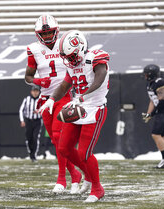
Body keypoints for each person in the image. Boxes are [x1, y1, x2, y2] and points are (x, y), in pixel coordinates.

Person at [39, 30, 110, 202]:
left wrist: (83, 97)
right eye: (67, 57)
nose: (69, 60)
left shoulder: (95, 57)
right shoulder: (71, 64)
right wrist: (51, 99)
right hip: (78, 106)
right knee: (64, 148)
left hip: (94, 108)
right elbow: (65, 84)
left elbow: (99, 79)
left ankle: (97, 189)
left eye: (71, 56)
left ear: (81, 48)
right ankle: (87, 174)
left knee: (85, 152)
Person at [25, 14, 82, 194]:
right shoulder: (34, 49)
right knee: (57, 141)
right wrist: (40, 82)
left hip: (63, 97)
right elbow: (28, 76)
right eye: (45, 33)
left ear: (56, 31)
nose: (48, 36)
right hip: (44, 100)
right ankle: (74, 174)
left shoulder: (66, 42)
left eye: (50, 32)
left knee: (58, 136)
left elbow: (76, 67)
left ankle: (61, 179)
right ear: (38, 34)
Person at [142, 64, 164, 169]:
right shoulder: (150, 84)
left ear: (151, 74)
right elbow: (152, 101)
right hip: (160, 110)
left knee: (155, 134)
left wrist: (153, 113)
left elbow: (162, 100)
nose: (145, 76)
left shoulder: (160, 82)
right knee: (162, 136)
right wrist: (148, 114)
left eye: (146, 74)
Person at [19, 85, 43, 162]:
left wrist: (39, 111)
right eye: (34, 91)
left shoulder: (41, 100)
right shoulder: (27, 99)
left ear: (39, 92)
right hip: (28, 121)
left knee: (35, 138)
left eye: (37, 91)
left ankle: (33, 155)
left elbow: (45, 109)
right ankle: (31, 152)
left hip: (37, 121)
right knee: (29, 138)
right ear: (31, 92)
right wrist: (22, 120)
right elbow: (21, 110)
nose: (35, 93)